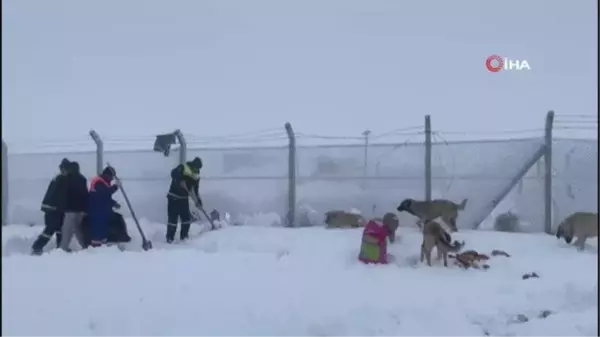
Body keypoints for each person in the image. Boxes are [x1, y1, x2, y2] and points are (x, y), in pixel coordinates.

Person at [31, 158, 70, 255]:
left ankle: (60, 248)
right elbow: (55, 196)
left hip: (56, 210)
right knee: (50, 230)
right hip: (53, 210)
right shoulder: (59, 180)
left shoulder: (59, 180)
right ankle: (37, 247)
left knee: (60, 229)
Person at [166, 157, 203, 243]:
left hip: (183, 199)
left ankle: (184, 238)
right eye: (196, 168)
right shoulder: (183, 167)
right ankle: (169, 239)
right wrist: (180, 180)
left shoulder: (196, 175)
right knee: (173, 220)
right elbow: (173, 173)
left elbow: (195, 190)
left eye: (198, 169)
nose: (197, 170)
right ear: (193, 165)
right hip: (173, 197)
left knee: (186, 219)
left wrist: (198, 201)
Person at [87, 166, 120, 247]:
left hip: (102, 210)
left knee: (103, 230)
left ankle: (103, 247)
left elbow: (105, 198)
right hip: (97, 211)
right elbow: (104, 194)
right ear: (107, 175)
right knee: (97, 231)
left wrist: (113, 203)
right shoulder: (98, 182)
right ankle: (96, 248)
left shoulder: (104, 182)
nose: (112, 179)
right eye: (111, 176)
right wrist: (115, 187)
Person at [59, 161, 89, 251]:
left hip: (70, 209)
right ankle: (85, 247)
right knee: (78, 229)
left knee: (66, 230)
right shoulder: (82, 179)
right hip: (80, 210)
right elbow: (85, 194)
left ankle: (63, 249)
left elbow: (64, 195)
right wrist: (85, 209)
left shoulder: (67, 179)